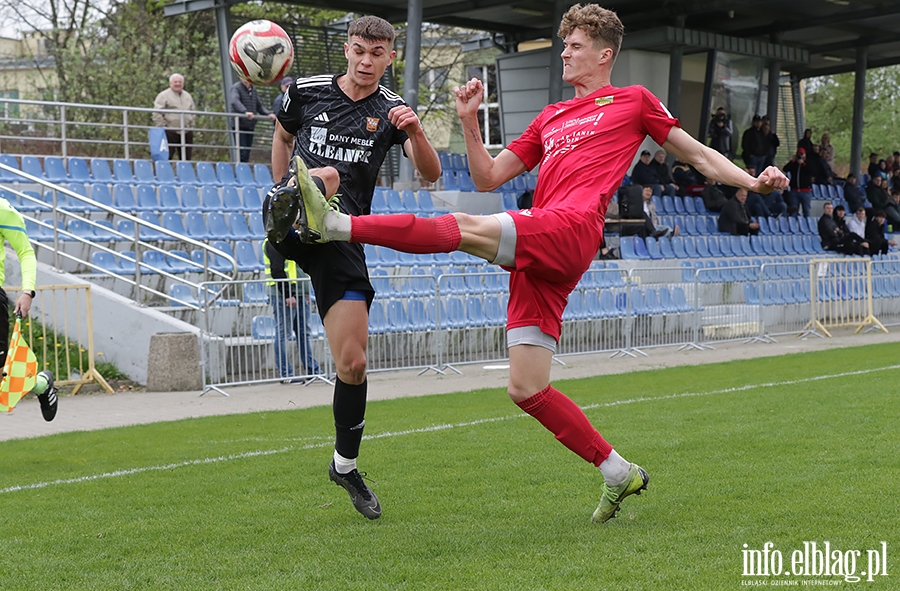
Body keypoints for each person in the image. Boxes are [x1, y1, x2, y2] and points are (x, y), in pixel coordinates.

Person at [273, 4, 788, 523]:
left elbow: (697, 154)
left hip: (571, 228)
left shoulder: (633, 102)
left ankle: (336, 225)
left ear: (605, 54)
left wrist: (750, 181)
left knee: (467, 229)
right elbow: (487, 177)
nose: (564, 52)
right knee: (526, 387)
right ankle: (617, 472)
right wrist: (471, 122)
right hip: (542, 247)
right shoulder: (551, 116)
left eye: (575, 45)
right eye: (564, 44)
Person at [263, 15, 441, 520]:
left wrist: (416, 130)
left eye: (377, 53)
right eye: (359, 50)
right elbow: (281, 136)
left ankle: (344, 465)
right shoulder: (305, 91)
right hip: (296, 225)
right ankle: (294, 202)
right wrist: (281, 190)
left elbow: (431, 175)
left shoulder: (392, 111)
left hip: (341, 237)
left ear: (390, 58)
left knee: (354, 364)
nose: (366, 61)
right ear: (346, 49)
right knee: (330, 174)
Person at [0, 196, 58, 420]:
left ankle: (42, 384)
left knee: (3, 377)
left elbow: (25, 251)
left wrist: (27, 291)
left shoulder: (3, 210)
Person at [262, 239, 320, 380]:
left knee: (303, 333)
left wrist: (305, 291)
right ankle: (286, 374)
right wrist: (288, 294)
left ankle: (313, 371)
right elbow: (277, 270)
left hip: (298, 293)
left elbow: (300, 269)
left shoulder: (292, 241)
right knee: (284, 333)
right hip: (283, 294)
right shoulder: (273, 242)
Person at [230, 78, 276, 163]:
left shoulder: (253, 89)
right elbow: (234, 101)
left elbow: (259, 106)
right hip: (239, 125)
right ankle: (240, 171)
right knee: (242, 152)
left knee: (247, 152)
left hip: (250, 125)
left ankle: (244, 170)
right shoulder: (236, 88)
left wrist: (268, 114)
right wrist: (245, 111)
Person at [152, 73, 196, 160]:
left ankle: (185, 173)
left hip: (186, 131)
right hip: (169, 131)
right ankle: (164, 173)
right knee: (166, 157)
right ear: (170, 83)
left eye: (180, 82)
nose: (178, 84)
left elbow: (193, 111)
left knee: (186, 158)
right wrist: (163, 126)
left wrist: (192, 126)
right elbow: (157, 112)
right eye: (175, 82)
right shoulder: (163, 95)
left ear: (183, 84)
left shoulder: (188, 96)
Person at [783, 149, 813, 216]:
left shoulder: (808, 163)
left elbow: (811, 171)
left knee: (806, 211)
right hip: (794, 190)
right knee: (794, 210)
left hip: (806, 191)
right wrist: (792, 161)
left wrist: (803, 163)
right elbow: (785, 169)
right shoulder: (793, 165)